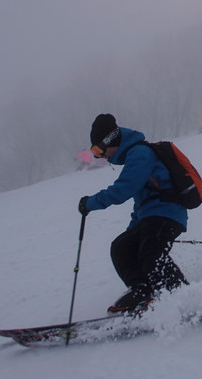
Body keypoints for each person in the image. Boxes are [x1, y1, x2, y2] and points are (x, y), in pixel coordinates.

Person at [78, 114, 189, 313]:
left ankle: (184, 296)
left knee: (151, 257)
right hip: (152, 216)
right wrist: (132, 233)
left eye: (97, 150)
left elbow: (123, 190)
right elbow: (141, 204)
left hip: (166, 213)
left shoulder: (140, 154)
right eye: (93, 152)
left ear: (111, 141)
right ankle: (142, 291)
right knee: (122, 247)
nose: (98, 156)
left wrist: (90, 203)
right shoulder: (134, 156)